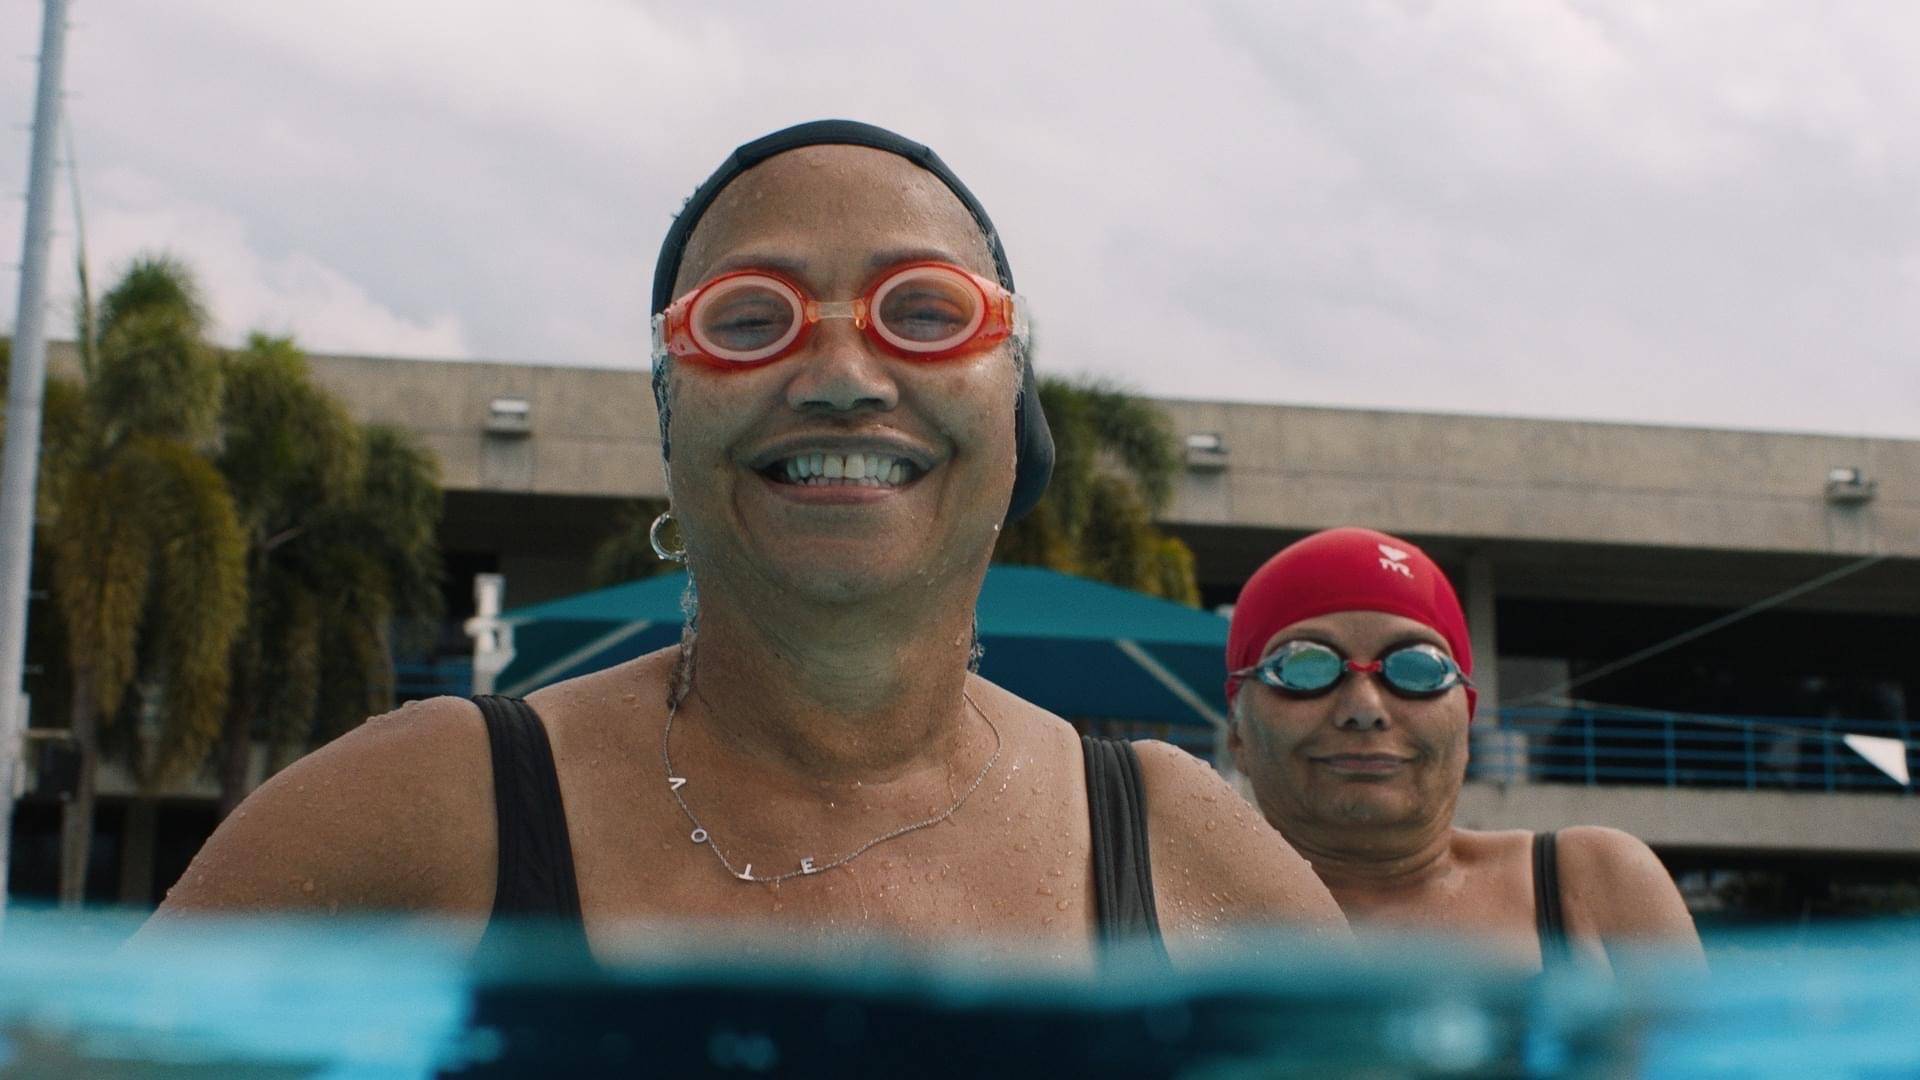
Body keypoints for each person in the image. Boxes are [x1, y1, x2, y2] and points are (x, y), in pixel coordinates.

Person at [146, 121, 1346, 966]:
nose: (836, 374)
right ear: (672, 416)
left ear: (1011, 408)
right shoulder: (418, 812)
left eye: (924, 313)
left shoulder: (1187, 856)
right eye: (749, 319)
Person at [1224, 527, 1702, 970]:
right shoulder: (1176, 906)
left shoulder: (1592, 884)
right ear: (1237, 734)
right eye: (1304, 667)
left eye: (1418, 668)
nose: (1365, 707)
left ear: (1466, 725)